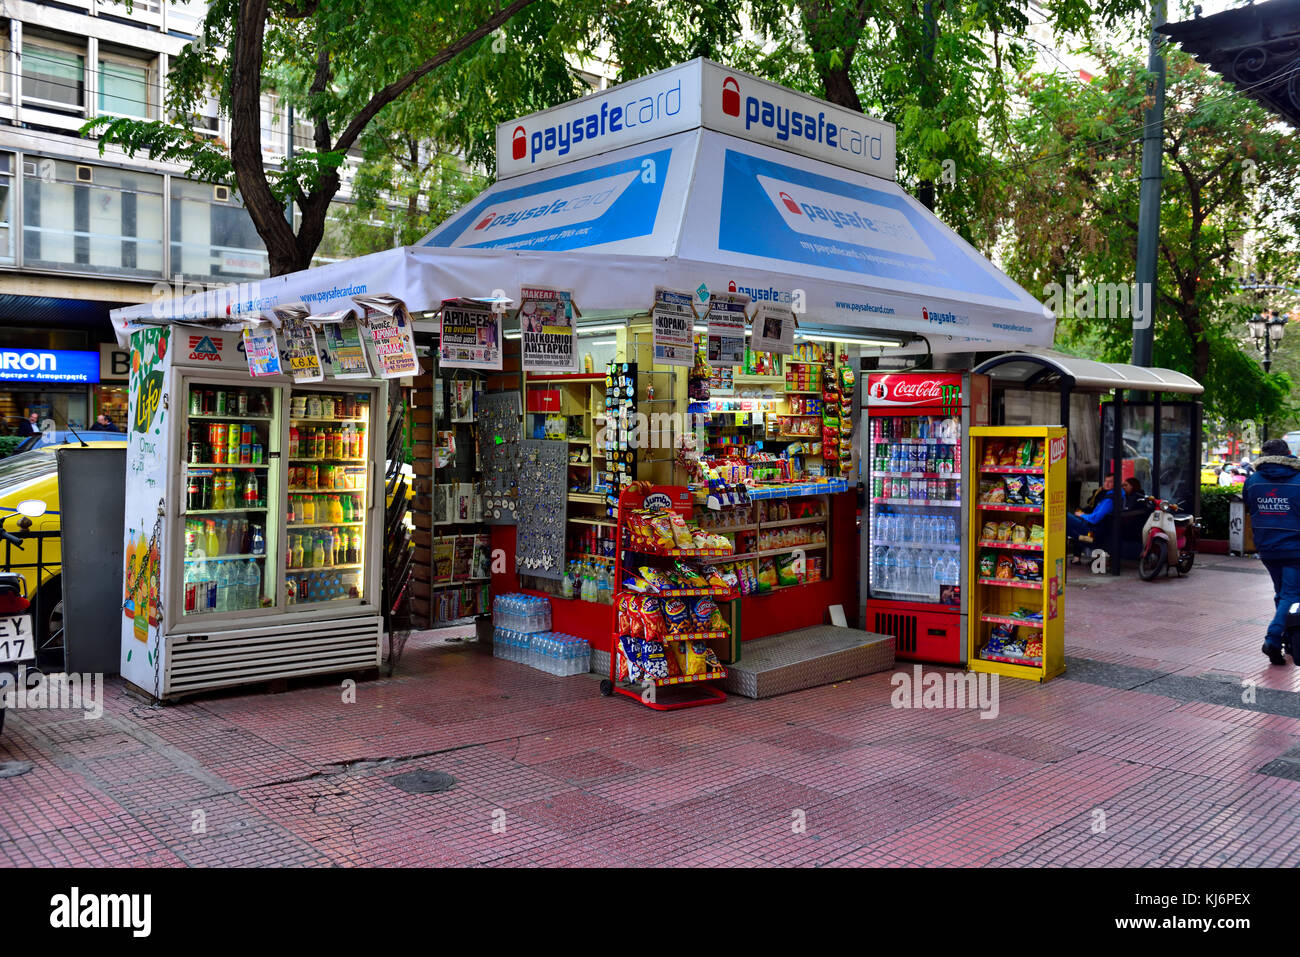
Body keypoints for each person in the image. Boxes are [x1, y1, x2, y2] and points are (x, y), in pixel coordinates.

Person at [1244, 438, 1300, 666]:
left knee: (1282, 594)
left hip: (1267, 547)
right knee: (1291, 594)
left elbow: (1250, 509)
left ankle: (1287, 638)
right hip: (1296, 548)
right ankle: (1273, 639)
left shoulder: (1253, 481)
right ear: (1288, 453)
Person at [1067, 474, 1119, 545]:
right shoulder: (1111, 494)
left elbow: (1095, 519)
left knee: (1063, 517)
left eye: (1110, 482)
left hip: (1092, 530)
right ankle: (1081, 539)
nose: (1106, 484)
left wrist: (1082, 515)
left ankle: (1088, 539)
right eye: (1106, 481)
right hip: (1095, 527)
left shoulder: (1110, 499)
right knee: (1066, 527)